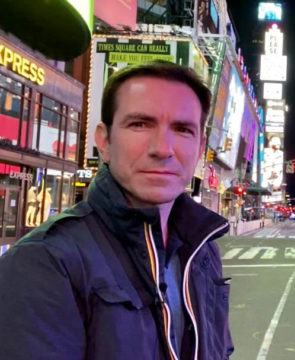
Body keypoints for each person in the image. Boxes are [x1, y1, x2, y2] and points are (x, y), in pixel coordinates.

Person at [0, 61, 233, 359]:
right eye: (140, 124)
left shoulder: (203, 251)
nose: (163, 148)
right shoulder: (45, 262)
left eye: (183, 129)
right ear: (104, 140)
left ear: (200, 148)